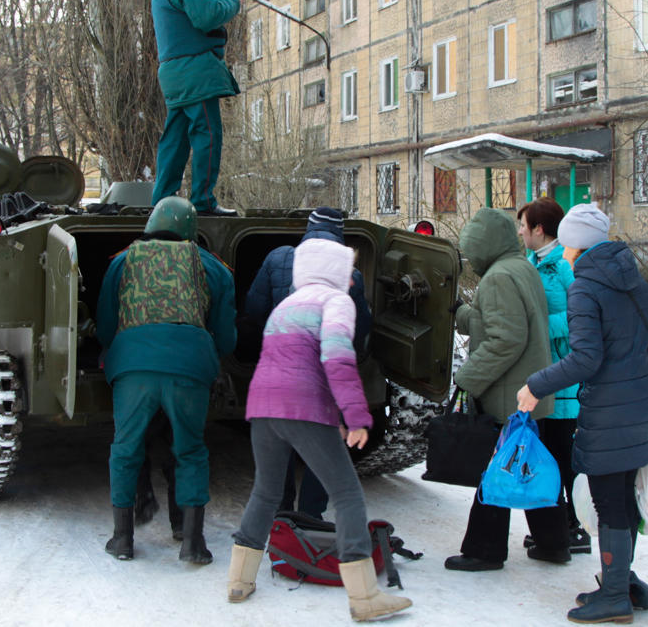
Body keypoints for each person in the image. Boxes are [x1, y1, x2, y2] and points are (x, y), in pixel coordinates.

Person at [226, 238, 412, 622]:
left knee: (265, 491)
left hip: (263, 406)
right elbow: (337, 358)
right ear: (333, 273)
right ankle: (364, 597)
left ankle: (238, 581)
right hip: (302, 408)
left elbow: (290, 362)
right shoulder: (336, 302)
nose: (351, 280)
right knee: (346, 493)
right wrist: (358, 416)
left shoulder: (287, 305)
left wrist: (339, 413)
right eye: (348, 271)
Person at [517, 203, 648, 624]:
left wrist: (535, 385)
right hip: (642, 403)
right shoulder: (631, 277)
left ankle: (616, 593)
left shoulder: (585, 287)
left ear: (577, 245)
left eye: (566, 244)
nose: (563, 252)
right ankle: (625, 582)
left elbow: (585, 358)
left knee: (608, 501)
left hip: (608, 411)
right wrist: (629, 372)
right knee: (624, 497)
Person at [96, 196, 236, 564]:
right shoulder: (212, 267)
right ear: (192, 229)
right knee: (190, 451)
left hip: (133, 365)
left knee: (125, 450)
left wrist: (121, 354)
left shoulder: (122, 261)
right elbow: (225, 337)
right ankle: (193, 543)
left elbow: (107, 325)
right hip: (190, 367)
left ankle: (122, 539)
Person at [243, 207, 372, 519]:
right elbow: (362, 327)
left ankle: (282, 515)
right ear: (340, 235)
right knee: (325, 444)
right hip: (325, 375)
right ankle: (312, 517)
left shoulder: (278, 258)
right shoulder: (350, 276)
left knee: (280, 443)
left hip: (277, 370)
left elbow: (253, 308)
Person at [444, 207, 554, 573]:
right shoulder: (519, 267)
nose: (471, 259)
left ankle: (484, 550)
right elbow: (495, 319)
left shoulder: (497, 278)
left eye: (472, 250)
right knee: (528, 464)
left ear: (484, 245)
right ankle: (554, 543)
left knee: (495, 472)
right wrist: (460, 313)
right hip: (530, 388)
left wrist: (466, 379)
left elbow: (505, 339)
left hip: (509, 393)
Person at [150, 0, 247, 217]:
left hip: (173, 72)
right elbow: (205, 17)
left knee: (175, 138)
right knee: (207, 132)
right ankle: (203, 202)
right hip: (195, 70)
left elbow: (189, 9)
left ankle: (162, 202)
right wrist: (232, 1)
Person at [516, 198, 588, 563]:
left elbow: (581, 320)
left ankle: (574, 526)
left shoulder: (563, 265)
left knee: (564, 458)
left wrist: (540, 329)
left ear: (539, 229)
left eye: (523, 225)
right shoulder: (531, 264)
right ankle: (556, 527)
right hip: (542, 378)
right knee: (547, 458)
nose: (520, 232)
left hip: (565, 380)